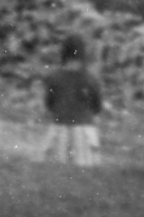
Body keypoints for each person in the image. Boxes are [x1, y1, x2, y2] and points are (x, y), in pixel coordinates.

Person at [42, 34, 104, 166]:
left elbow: (49, 104)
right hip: (84, 131)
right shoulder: (91, 79)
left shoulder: (54, 77)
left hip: (59, 129)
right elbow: (97, 107)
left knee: (56, 167)